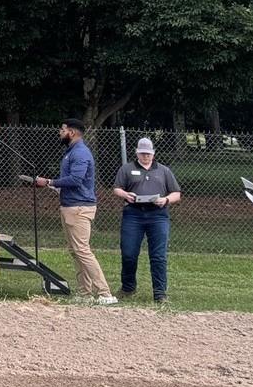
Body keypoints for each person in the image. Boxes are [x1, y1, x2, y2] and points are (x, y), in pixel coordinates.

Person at [31, 119, 117, 305]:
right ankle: (85, 293)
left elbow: (76, 180)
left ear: (72, 132)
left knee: (82, 250)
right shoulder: (71, 152)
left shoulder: (80, 153)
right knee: (75, 251)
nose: (60, 132)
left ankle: (105, 293)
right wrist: (53, 185)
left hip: (78, 208)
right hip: (70, 206)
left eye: (62, 130)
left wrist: (49, 182)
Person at [112, 137, 182, 303]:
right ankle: (128, 287)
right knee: (129, 253)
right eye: (143, 153)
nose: (146, 156)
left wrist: (165, 200)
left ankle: (160, 293)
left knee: (158, 255)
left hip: (158, 216)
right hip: (133, 214)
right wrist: (126, 195)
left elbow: (176, 193)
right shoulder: (127, 169)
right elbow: (117, 188)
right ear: (137, 153)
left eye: (148, 153)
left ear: (153, 153)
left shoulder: (163, 170)